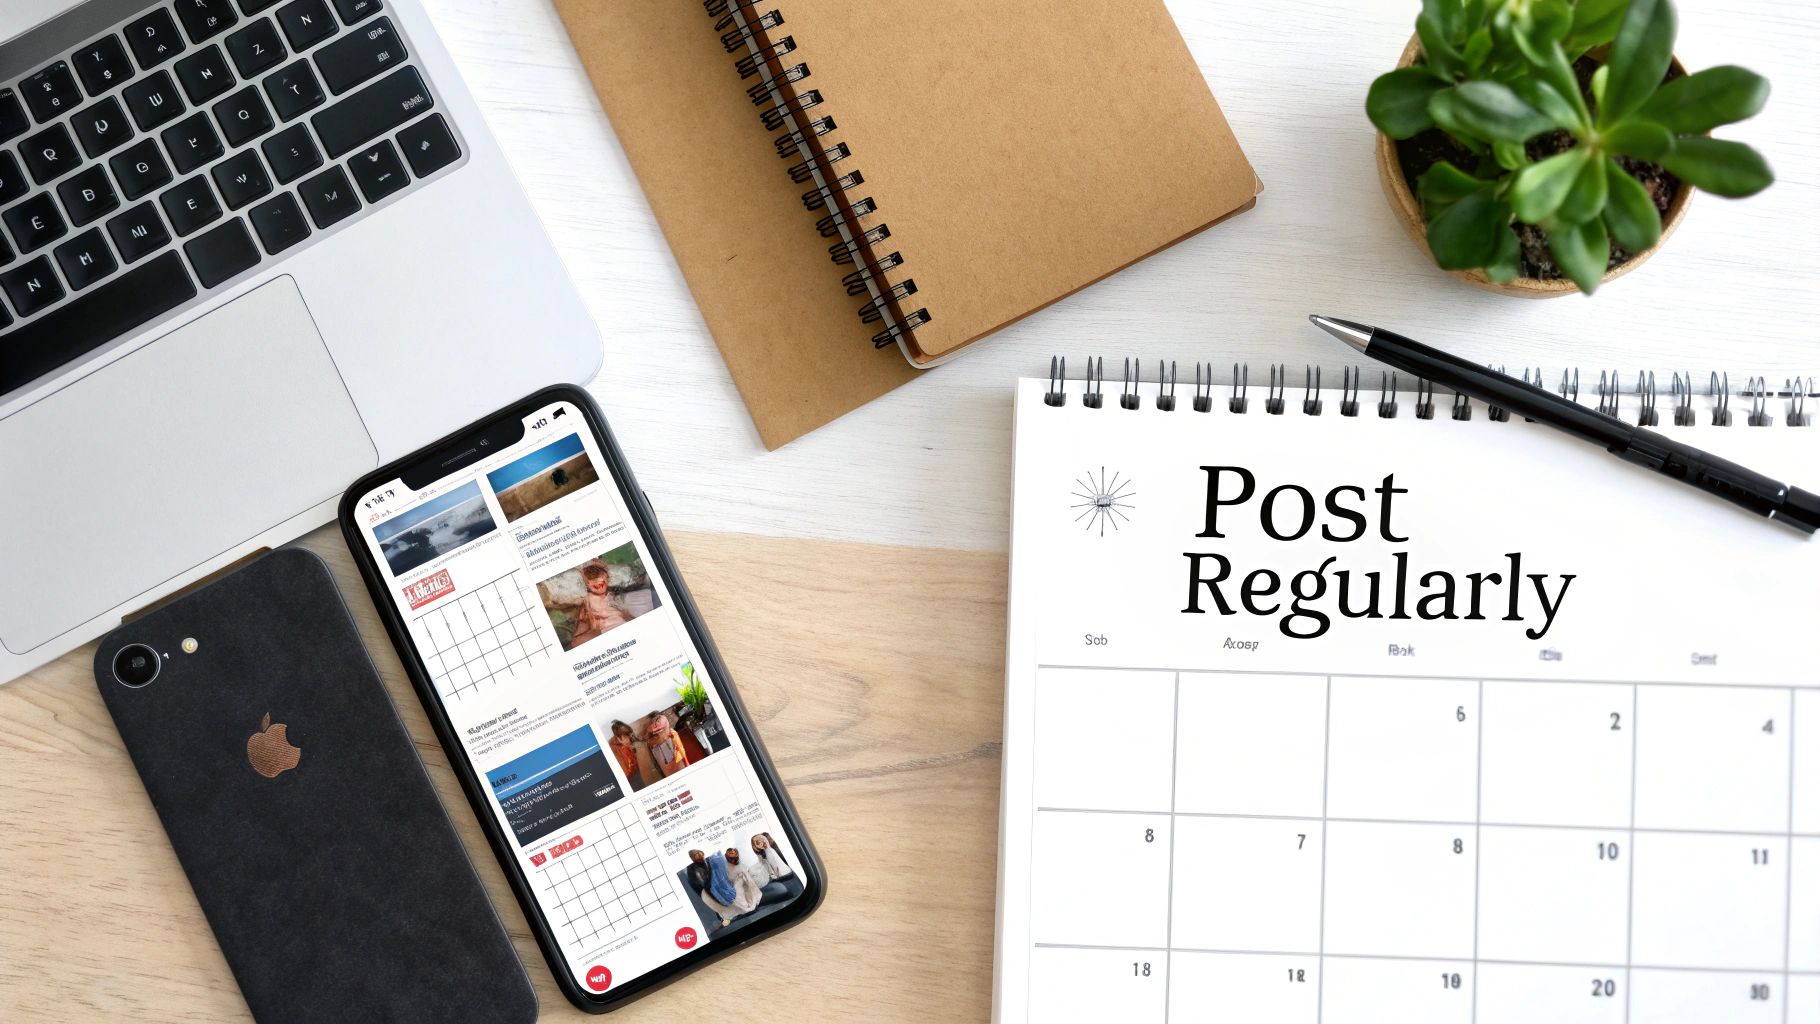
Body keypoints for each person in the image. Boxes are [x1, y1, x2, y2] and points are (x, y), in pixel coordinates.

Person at [571, 562, 629, 646]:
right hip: (600, 631)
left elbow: (625, 612)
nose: (596, 581)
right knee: (577, 642)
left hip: (618, 625)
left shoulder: (613, 596)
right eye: (591, 580)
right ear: (586, 585)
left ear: (608, 579)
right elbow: (583, 622)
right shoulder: (587, 598)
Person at [645, 712, 690, 777]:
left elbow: (662, 735)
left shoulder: (661, 719)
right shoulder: (653, 740)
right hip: (664, 752)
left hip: (668, 748)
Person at [722, 847, 762, 914]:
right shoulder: (726, 865)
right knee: (739, 895)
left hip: (744, 878)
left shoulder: (739, 861)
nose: (732, 853)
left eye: (733, 852)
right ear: (726, 855)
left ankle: (753, 905)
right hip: (736, 881)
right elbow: (729, 875)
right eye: (730, 853)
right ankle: (746, 908)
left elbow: (743, 868)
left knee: (750, 891)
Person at [608, 720, 642, 790]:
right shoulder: (614, 748)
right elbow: (626, 771)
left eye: (630, 734)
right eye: (626, 735)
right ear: (619, 737)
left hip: (636, 772)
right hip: (628, 779)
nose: (630, 737)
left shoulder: (630, 740)